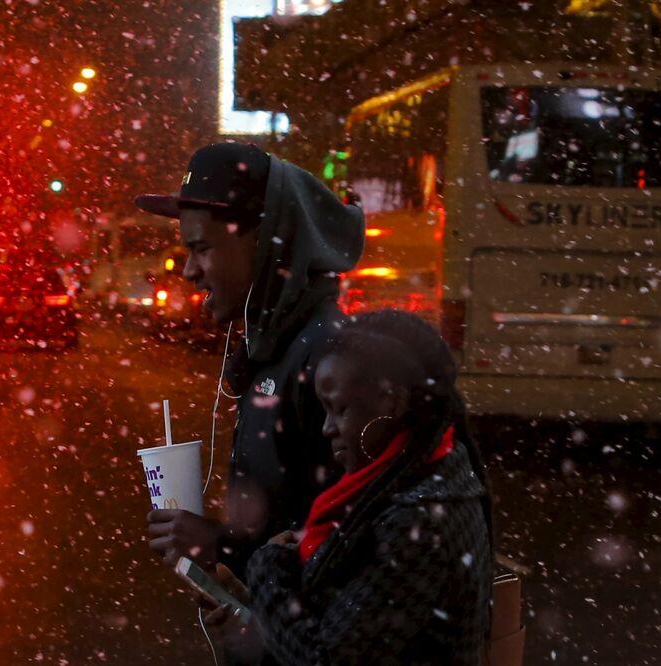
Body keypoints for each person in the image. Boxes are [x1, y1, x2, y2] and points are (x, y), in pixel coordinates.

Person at [204, 309, 494, 665]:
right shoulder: (413, 480)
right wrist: (254, 619)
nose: (327, 428)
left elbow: (325, 657)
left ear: (392, 401)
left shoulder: (418, 521)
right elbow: (352, 630)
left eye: (339, 409)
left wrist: (266, 571)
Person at [135, 143, 365, 575]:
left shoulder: (329, 359)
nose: (188, 271)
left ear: (264, 244)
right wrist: (237, 598)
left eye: (202, 248)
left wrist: (223, 549)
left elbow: (357, 555)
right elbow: (290, 524)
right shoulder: (275, 350)